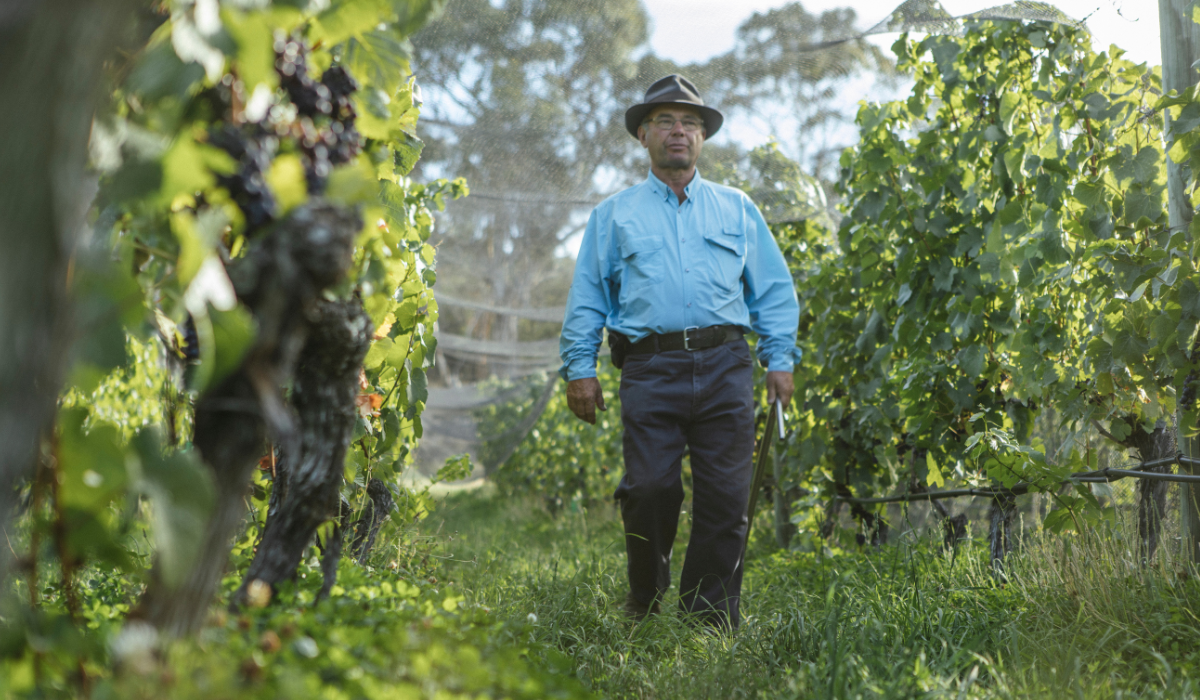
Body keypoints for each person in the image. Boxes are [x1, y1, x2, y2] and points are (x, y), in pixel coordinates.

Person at [558, 74, 800, 630]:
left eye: (690, 122)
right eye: (665, 121)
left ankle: (708, 618)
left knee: (725, 501)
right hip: (650, 365)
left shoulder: (736, 209)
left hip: (726, 365)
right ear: (643, 134)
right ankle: (645, 598)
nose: (678, 132)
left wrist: (779, 358)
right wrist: (580, 368)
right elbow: (589, 296)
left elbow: (772, 291)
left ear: (702, 138)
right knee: (648, 489)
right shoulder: (613, 215)